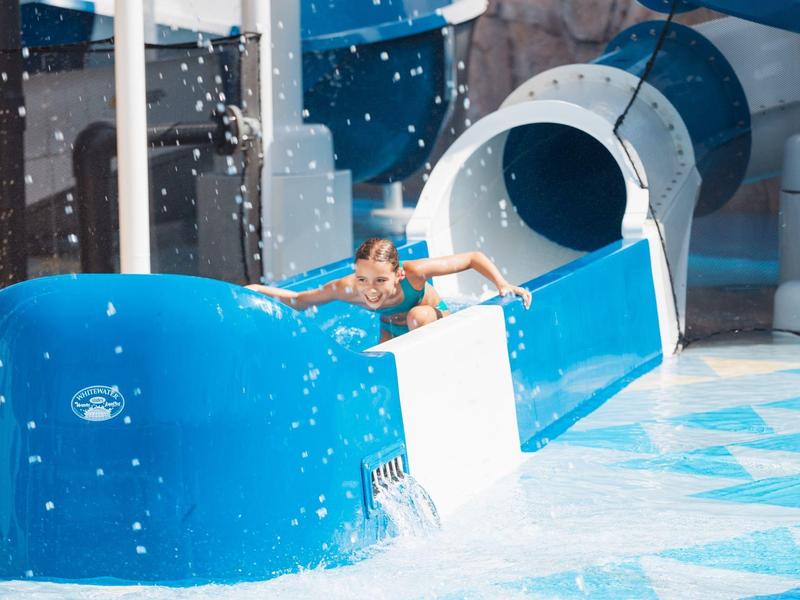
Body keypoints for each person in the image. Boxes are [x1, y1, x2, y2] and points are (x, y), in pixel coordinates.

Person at [246, 238, 531, 343]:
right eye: (362, 279)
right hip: (391, 328)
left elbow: (472, 258)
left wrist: (502, 284)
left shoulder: (415, 273)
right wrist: (256, 290)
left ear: (399, 274)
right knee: (376, 365)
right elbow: (299, 301)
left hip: (431, 318)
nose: (370, 290)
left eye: (380, 281)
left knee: (416, 317)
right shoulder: (347, 289)